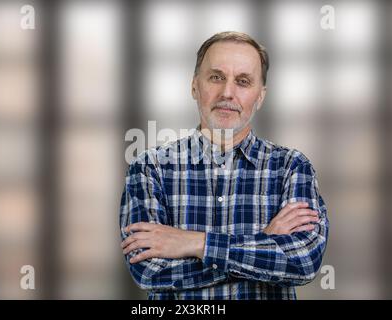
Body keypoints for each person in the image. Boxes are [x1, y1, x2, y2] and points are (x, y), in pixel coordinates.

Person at [120, 31, 329, 300]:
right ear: (195, 86)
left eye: (243, 81)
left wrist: (195, 243)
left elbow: (302, 263)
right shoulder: (150, 168)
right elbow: (149, 272)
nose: (227, 92)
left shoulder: (292, 167)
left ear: (261, 96)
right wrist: (264, 241)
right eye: (216, 77)